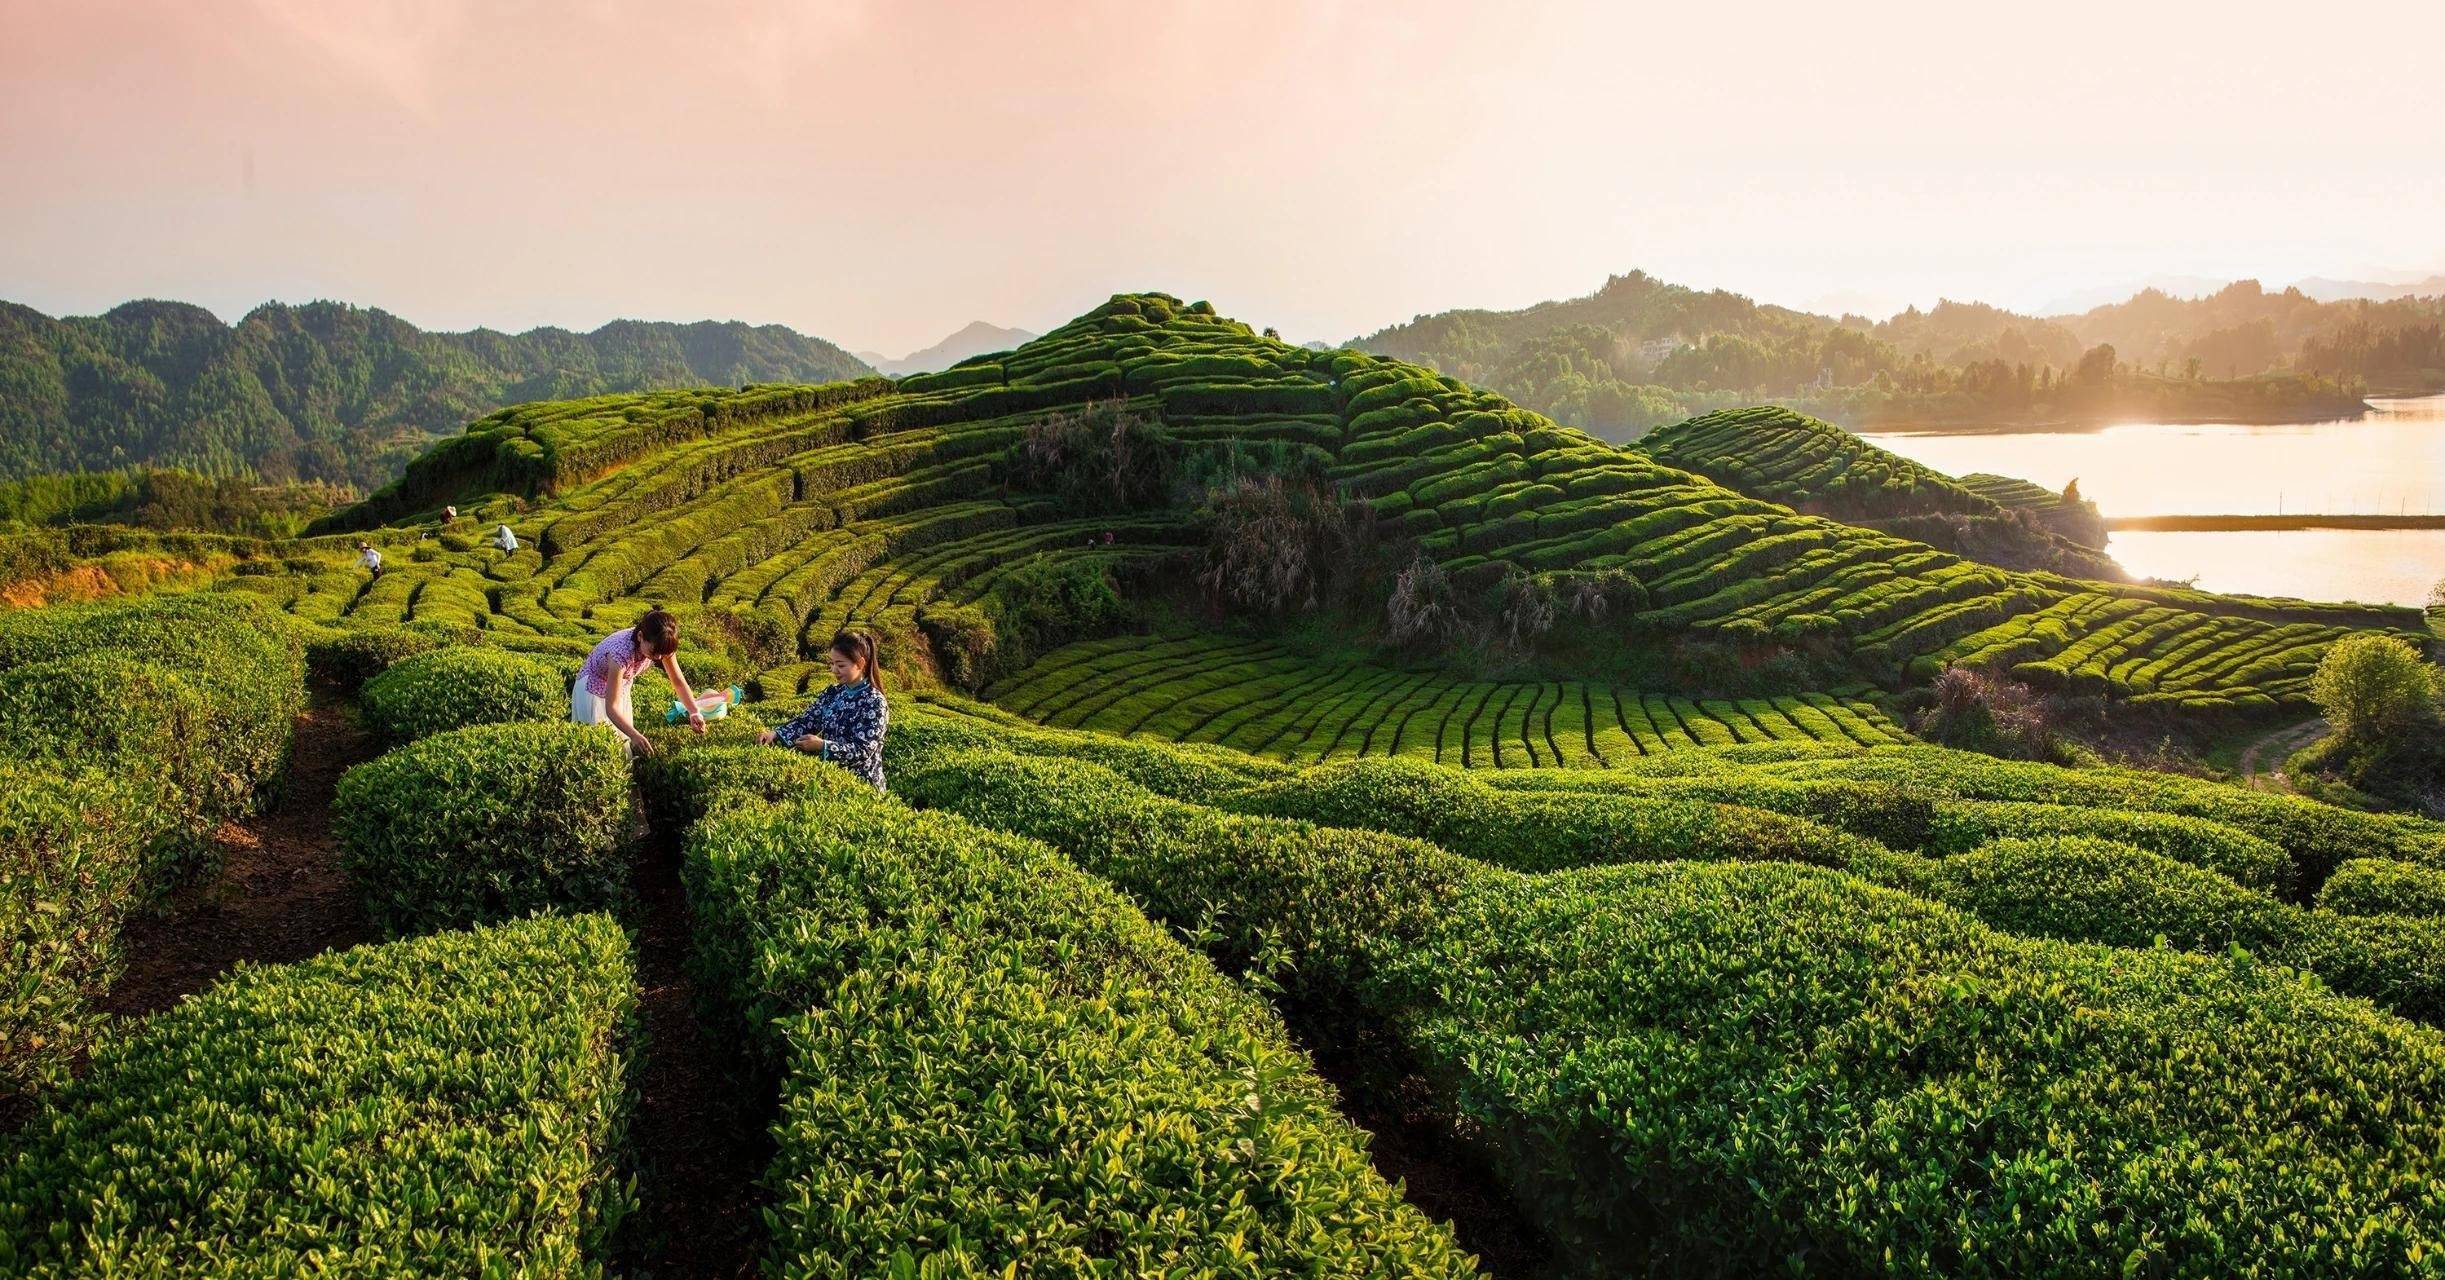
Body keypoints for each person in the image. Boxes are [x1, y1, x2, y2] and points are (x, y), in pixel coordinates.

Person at [759, 629, 889, 790]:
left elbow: (862, 750)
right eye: (832, 663)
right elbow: (808, 720)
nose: (834, 670)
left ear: (861, 664)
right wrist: (776, 734)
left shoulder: (874, 702)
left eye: (840, 665)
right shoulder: (833, 692)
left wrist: (823, 746)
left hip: (863, 788)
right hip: (832, 781)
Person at [573, 608, 706, 755]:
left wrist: (694, 711)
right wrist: (635, 735)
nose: (659, 658)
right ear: (640, 636)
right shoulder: (619, 654)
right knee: (605, 746)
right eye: (654, 652)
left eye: (663, 654)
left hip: (620, 685)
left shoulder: (662, 643)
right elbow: (611, 709)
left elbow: (678, 681)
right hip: (593, 690)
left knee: (623, 743)